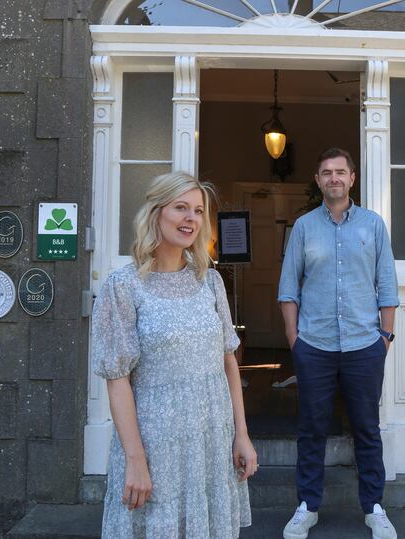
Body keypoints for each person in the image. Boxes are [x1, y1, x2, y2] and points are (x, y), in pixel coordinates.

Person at [92, 172, 257, 538]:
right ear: (156, 213)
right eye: (181, 207)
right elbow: (117, 381)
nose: (191, 218)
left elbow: (228, 362)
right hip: (155, 444)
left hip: (211, 440)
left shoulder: (209, 281)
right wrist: (136, 460)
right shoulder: (123, 286)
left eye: (198, 211)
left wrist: (242, 434)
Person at [278, 148, 399, 539]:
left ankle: (374, 508)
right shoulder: (303, 227)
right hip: (314, 345)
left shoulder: (373, 225)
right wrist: (294, 339)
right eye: (327, 172)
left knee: (366, 429)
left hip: (365, 345)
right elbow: (288, 288)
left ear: (352, 178)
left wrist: (385, 337)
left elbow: (387, 285)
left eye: (340, 172)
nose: (334, 178)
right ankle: (307, 507)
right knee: (311, 429)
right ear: (318, 179)